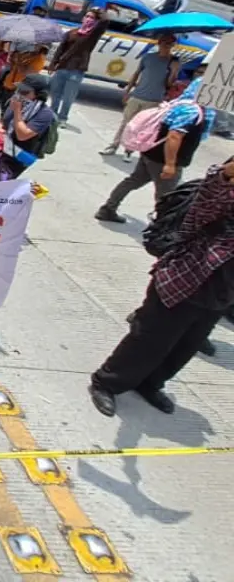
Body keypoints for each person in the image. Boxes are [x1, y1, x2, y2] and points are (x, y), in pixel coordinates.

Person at [89, 156, 234, 417]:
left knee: (187, 344)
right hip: (188, 277)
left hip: (222, 290)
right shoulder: (219, 195)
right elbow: (215, 188)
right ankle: (107, 382)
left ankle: (151, 383)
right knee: (150, 337)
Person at [96, 71, 213, 223]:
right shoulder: (192, 111)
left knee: (134, 181)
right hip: (163, 160)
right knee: (167, 196)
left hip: (151, 152)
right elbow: (174, 136)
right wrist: (170, 164)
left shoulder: (180, 103)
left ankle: (108, 208)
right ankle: (159, 229)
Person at [101, 35, 181, 159]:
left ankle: (129, 151)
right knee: (126, 123)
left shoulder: (174, 62)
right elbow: (136, 74)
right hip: (138, 95)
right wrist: (128, 91)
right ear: (159, 43)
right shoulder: (148, 57)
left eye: (170, 44)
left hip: (154, 100)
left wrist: (173, 71)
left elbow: (170, 84)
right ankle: (114, 146)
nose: (167, 46)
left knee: (140, 127)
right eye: (165, 42)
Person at [48, 7, 107, 123]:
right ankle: (52, 115)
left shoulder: (92, 35)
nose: (89, 19)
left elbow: (105, 22)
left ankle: (62, 118)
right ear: (83, 18)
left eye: (92, 18)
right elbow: (60, 49)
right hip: (62, 67)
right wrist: (52, 64)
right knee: (55, 93)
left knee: (68, 97)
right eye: (87, 16)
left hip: (77, 70)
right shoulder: (71, 33)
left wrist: (99, 11)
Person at [0, 73, 56, 177]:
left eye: (25, 92)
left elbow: (22, 135)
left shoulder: (44, 113)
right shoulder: (15, 101)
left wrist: (17, 111)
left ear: (38, 94)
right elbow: (3, 120)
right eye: (19, 89)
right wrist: (0, 128)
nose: (19, 94)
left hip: (19, 156)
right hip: (2, 148)